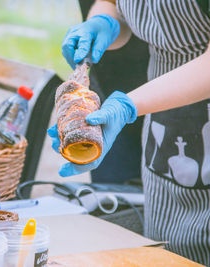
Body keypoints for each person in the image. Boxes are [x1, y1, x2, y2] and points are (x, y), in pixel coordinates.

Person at [48, 0, 210, 265]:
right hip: (162, 117)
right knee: (164, 249)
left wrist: (128, 106)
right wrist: (104, 21)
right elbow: (111, 2)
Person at [78, 0, 148, 184]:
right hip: (109, 93)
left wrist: (128, 105)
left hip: (189, 104)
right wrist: (103, 20)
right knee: (113, 199)